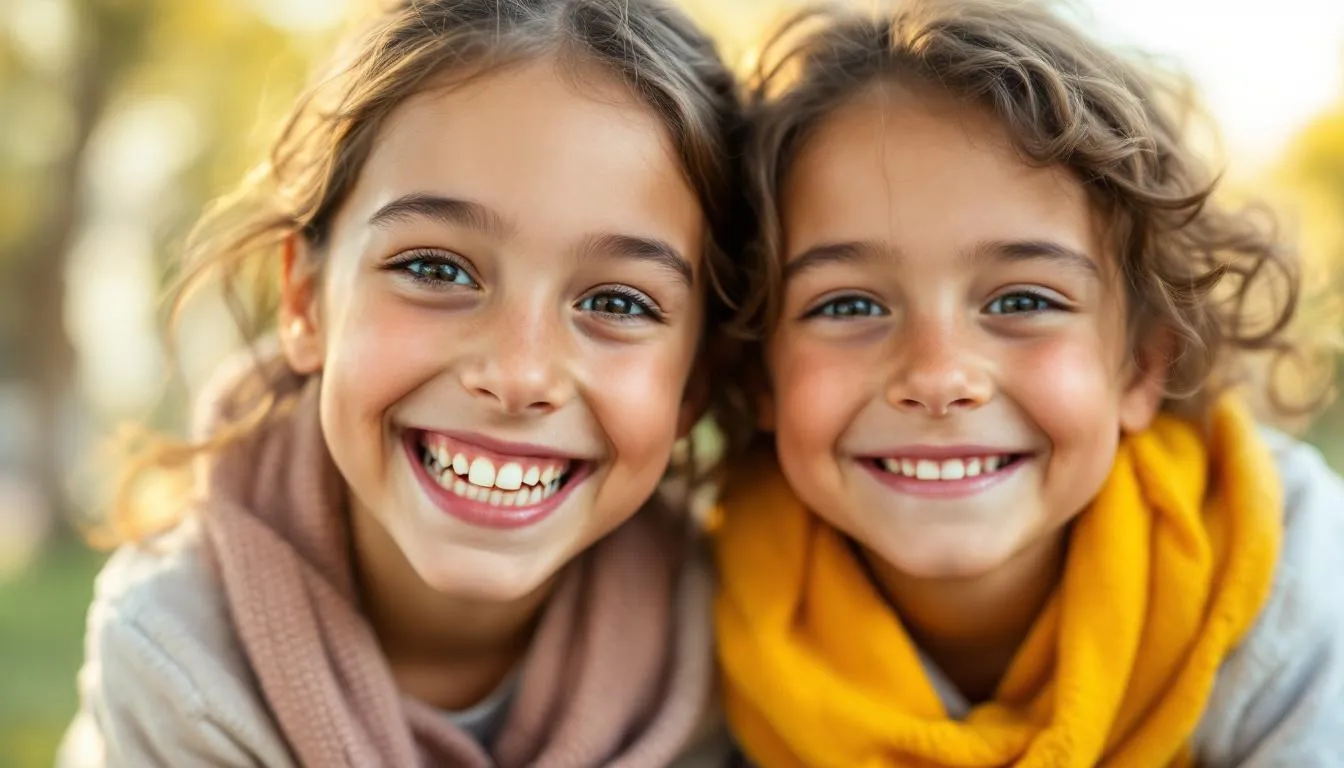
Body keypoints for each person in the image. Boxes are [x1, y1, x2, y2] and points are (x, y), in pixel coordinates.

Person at [59, 0, 747, 765]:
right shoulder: (178, 660)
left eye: (617, 303)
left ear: (694, 383)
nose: (517, 375)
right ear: (303, 302)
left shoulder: (738, 640)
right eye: (434, 268)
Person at [712, 1, 1344, 765]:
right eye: (848, 304)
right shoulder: (698, 618)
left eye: (1022, 301)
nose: (938, 377)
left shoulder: (1283, 564)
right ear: (760, 376)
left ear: (1144, 365)